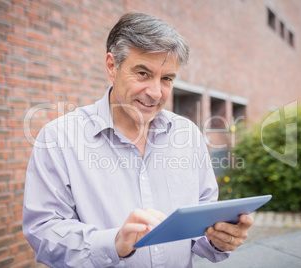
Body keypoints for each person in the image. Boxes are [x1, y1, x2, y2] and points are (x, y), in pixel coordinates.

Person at [22, 12, 254, 267]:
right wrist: (114, 243)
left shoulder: (188, 135)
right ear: (112, 66)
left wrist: (218, 238)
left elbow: (200, 226)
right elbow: (43, 232)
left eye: (166, 78)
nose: (155, 92)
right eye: (143, 73)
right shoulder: (59, 138)